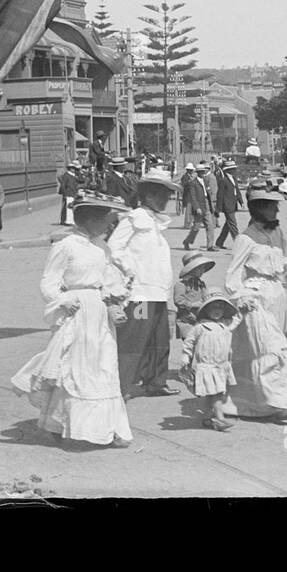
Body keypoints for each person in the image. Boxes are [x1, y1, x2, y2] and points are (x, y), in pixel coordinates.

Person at [11, 192, 134, 447]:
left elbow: (107, 279)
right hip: (76, 312)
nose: (109, 224)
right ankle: (63, 425)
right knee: (75, 370)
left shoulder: (102, 248)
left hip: (98, 314)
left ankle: (108, 429)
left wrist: (115, 299)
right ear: (89, 219)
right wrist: (63, 301)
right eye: (105, 219)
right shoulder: (66, 246)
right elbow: (49, 282)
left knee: (104, 366)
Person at [218, 178, 287, 420]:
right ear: (258, 208)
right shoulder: (245, 239)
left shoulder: (278, 233)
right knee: (268, 349)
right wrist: (241, 297)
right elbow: (233, 275)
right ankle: (276, 401)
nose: (276, 209)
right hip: (256, 299)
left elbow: (281, 264)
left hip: (276, 297)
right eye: (271, 206)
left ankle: (256, 403)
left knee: (275, 345)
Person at [108, 166, 181, 399]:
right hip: (140, 294)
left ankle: (156, 381)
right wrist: (130, 270)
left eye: (168, 195)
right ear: (147, 194)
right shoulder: (134, 218)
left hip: (159, 294)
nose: (165, 199)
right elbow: (113, 249)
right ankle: (122, 386)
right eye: (161, 194)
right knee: (135, 339)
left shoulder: (155, 221)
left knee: (160, 340)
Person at [181, 291, 241, 431]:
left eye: (220, 308)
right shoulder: (200, 327)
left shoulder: (225, 325)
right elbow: (189, 343)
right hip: (207, 366)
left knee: (213, 394)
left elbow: (237, 319)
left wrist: (243, 308)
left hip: (221, 365)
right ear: (206, 310)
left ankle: (208, 417)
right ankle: (220, 419)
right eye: (213, 308)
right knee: (216, 393)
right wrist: (186, 357)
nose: (216, 312)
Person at [174, 251, 215, 339]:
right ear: (191, 269)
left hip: (199, 320)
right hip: (186, 321)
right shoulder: (181, 285)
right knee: (190, 344)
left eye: (203, 268)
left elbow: (205, 297)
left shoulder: (201, 284)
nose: (202, 271)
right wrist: (192, 304)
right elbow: (178, 300)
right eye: (200, 268)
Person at [183, 163, 215, 252]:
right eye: (200, 171)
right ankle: (187, 241)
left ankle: (210, 245)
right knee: (196, 227)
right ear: (197, 172)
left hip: (206, 204)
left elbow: (208, 193)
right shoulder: (193, 182)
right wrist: (197, 207)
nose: (202, 173)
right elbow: (193, 196)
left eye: (203, 171)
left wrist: (211, 205)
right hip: (199, 205)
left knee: (210, 225)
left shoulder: (205, 180)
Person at [213, 159, 244, 250]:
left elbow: (237, 191)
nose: (234, 170)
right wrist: (218, 209)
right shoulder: (223, 180)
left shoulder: (233, 179)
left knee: (228, 225)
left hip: (233, 204)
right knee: (233, 224)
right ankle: (238, 244)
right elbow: (220, 195)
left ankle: (219, 242)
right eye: (233, 169)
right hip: (227, 206)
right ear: (228, 170)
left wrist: (241, 202)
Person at [58, 160, 81, 225]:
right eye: (74, 168)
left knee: (70, 207)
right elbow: (63, 185)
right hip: (68, 193)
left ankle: (68, 220)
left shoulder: (73, 175)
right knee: (68, 208)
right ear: (70, 168)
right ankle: (67, 221)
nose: (75, 170)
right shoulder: (66, 175)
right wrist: (65, 194)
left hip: (72, 193)